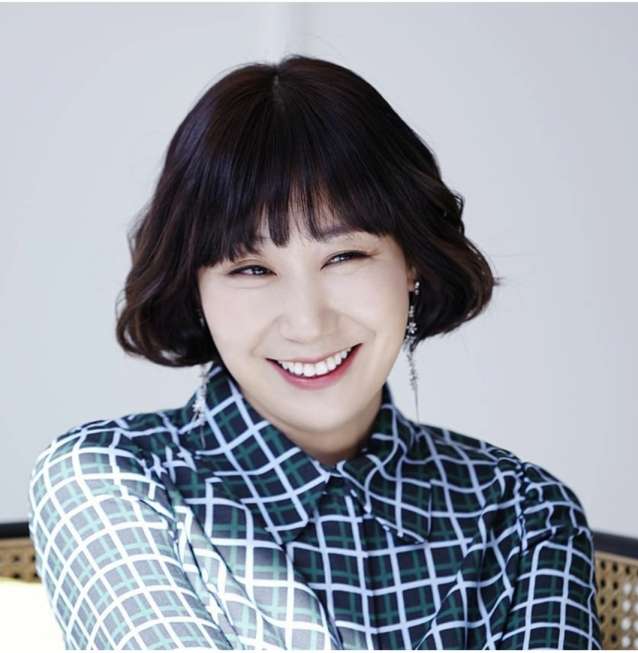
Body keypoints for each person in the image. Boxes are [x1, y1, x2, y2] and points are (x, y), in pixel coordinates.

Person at [28, 54, 601, 650]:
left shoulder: (522, 513)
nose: (307, 324)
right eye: (252, 268)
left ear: (411, 262)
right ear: (195, 289)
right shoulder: (109, 478)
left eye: (344, 257)